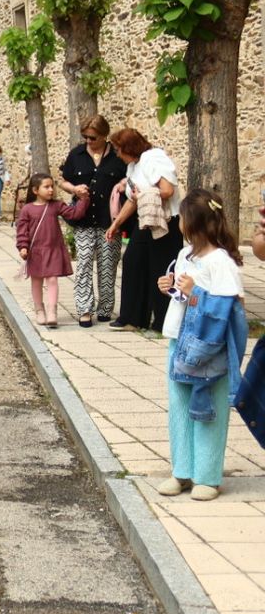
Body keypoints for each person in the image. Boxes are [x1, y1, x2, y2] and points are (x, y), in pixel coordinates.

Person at [155, 191, 248, 502]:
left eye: (182, 217)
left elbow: (229, 308)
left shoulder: (221, 261)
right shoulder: (185, 255)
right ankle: (182, 471)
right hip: (179, 340)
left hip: (210, 349)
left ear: (194, 222)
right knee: (179, 407)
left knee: (210, 410)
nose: (178, 222)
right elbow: (187, 299)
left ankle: (207, 475)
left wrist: (195, 292)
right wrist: (173, 289)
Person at [106, 128, 184, 330]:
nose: (117, 154)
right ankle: (133, 318)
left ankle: (163, 321)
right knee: (133, 260)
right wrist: (116, 224)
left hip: (165, 221)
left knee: (162, 269)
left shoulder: (154, 158)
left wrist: (144, 193)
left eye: (118, 149)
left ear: (127, 147)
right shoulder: (133, 166)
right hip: (147, 219)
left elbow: (167, 190)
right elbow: (133, 199)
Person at [58, 117, 128, 328]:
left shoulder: (117, 156)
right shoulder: (77, 155)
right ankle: (84, 309)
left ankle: (105, 309)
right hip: (84, 219)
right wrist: (74, 189)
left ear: (104, 135)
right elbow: (63, 180)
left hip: (110, 220)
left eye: (93, 137)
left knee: (108, 266)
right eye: (85, 137)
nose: (88, 140)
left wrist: (123, 184)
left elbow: (130, 177)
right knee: (84, 264)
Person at [16, 173, 73, 329]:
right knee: (36, 281)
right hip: (35, 251)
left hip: (53, 249)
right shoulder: (27, 209)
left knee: (52, 279)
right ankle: (39, 310)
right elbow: (22, 230)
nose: (50, 190)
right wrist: (23, 246)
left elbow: (73, 214)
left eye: (51, 187)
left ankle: (52, 311)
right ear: (35, 190)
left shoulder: (56, 205)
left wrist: (83, 199)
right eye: (46, 187)